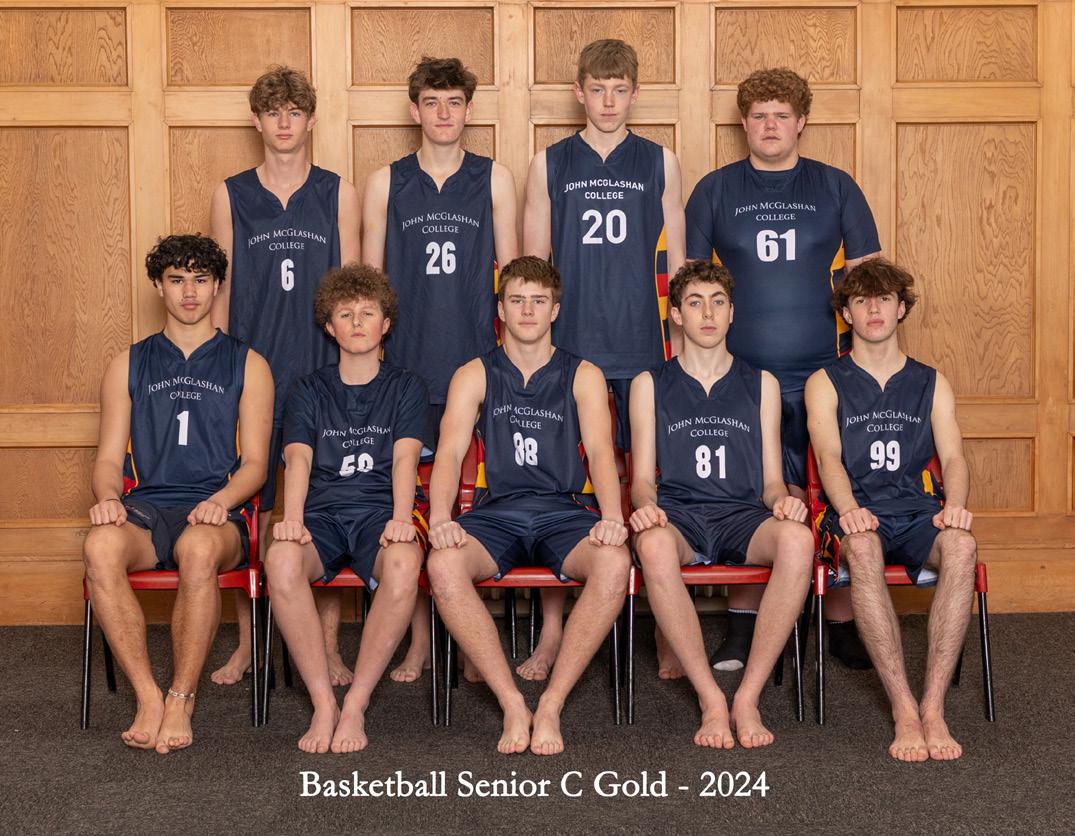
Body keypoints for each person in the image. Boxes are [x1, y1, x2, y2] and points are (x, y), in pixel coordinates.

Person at [685, 67, 880, 672]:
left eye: (781, 116)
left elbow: (871, 284)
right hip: (740, 376)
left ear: (801, 122)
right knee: (752, 497)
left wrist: (861, 367)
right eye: (759, 116)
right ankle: (744, 627)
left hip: (825, 373)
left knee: (842, 487)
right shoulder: (715, 189)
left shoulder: (836, 185)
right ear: (744, 124)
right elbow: (690, 288)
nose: (770, 126)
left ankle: (843, 620)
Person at [521, 38, 685, 680]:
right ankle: (553, 632)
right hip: (571, 352)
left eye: (620, 90)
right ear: (579, 93)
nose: (609, 102)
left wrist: (680, 351)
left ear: (635, 93)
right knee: (561, 489)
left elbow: (679, 265)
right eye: (598, 89)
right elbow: (533, 271)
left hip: (642, 349)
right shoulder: (549, 162)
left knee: (655, 483)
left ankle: (668, 629)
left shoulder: (661, 161)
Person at [425, 256, 631, 755]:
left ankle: (553, 703)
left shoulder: (583, 374)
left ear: (555, 310)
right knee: (443, 565)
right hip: (498, 513)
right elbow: (449, 452)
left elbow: (600, 451)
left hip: (564, 510)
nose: (528, 310)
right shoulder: (474, 374)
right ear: (500, 309)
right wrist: (440, 518)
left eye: (539, 301)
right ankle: (513, 703)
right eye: (516, 300)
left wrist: (612, 517)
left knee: (614, 562)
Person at [82, 235, 273, 754]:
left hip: (216, 510)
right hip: (147, 508)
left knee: (198, 549)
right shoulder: (129, 363)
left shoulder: (248, 364)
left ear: (217, 286)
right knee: (100, 545)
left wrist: (222, 501)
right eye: (177, 280)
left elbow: (256, 465)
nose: (189, 292)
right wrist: (109, 498)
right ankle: (149, 696)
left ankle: (181, 697)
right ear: (158, 287)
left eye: (201, 280)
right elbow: (108, 459)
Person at [362, 56, 518, 682]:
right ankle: (421, 642)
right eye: (432, 102)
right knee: (413, 503)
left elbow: (515, 283)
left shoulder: (494, 178)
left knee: (474, 502)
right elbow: (368, 287)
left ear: (469, 110)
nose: (444, 113)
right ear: (415, 110)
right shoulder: (386, 182)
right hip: (406, 367)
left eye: (454, 102)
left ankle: (473, 641)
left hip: (476, 366)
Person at [210, 65, 360, 688]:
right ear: (257, 120)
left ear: (310, 119)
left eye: (294, 112)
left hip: (322, 372)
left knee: (321, 506)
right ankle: (250, 644)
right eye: (272, 112)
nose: (283, 123)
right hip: (253, 372)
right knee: (254, 510)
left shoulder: (337, 191)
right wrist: (223, 372)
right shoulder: (231, 194)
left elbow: (353, 292)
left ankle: (325, 647)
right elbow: (219, 293)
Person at [630, 260, 813, 748]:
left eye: (717, 302)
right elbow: (642, 480)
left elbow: (771, 481)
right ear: (676, 315)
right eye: (695, 303)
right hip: (680, 514)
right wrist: (645, 506)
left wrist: (783, 503)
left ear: (732, 312)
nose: (708, 314)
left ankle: (747, 697)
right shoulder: (650, 383)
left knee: (798, 540)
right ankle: (711, 698)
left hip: (742, 516)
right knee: (652, 545)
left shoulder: (762, 383)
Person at [805, 258, 976, 762]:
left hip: (918, 510)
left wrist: (955, 506)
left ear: (901, 309)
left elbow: (953, 457)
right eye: (861, 300)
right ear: (847, 313)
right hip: (858, 511)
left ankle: (933, 708)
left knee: (962, 547)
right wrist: (848, 509)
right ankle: (903, 708)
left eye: (884, 299)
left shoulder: (931, 381)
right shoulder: (826, 381)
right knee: (860, 548)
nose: (874, 309)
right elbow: (828, 457)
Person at [263, 265, 429, 753]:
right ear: (329, 326)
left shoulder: (407, 386)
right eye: (345, 313)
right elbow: (298, 457)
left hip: (380, 510)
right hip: (324, 514)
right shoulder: (308, 389)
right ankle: (323, 703)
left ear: (386, 324)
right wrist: (292, 519)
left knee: (404, 561)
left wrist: (401, 517)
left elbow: (405, 457)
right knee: (281, 558)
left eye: (368, 313)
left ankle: (355, 703)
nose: (357, 322)